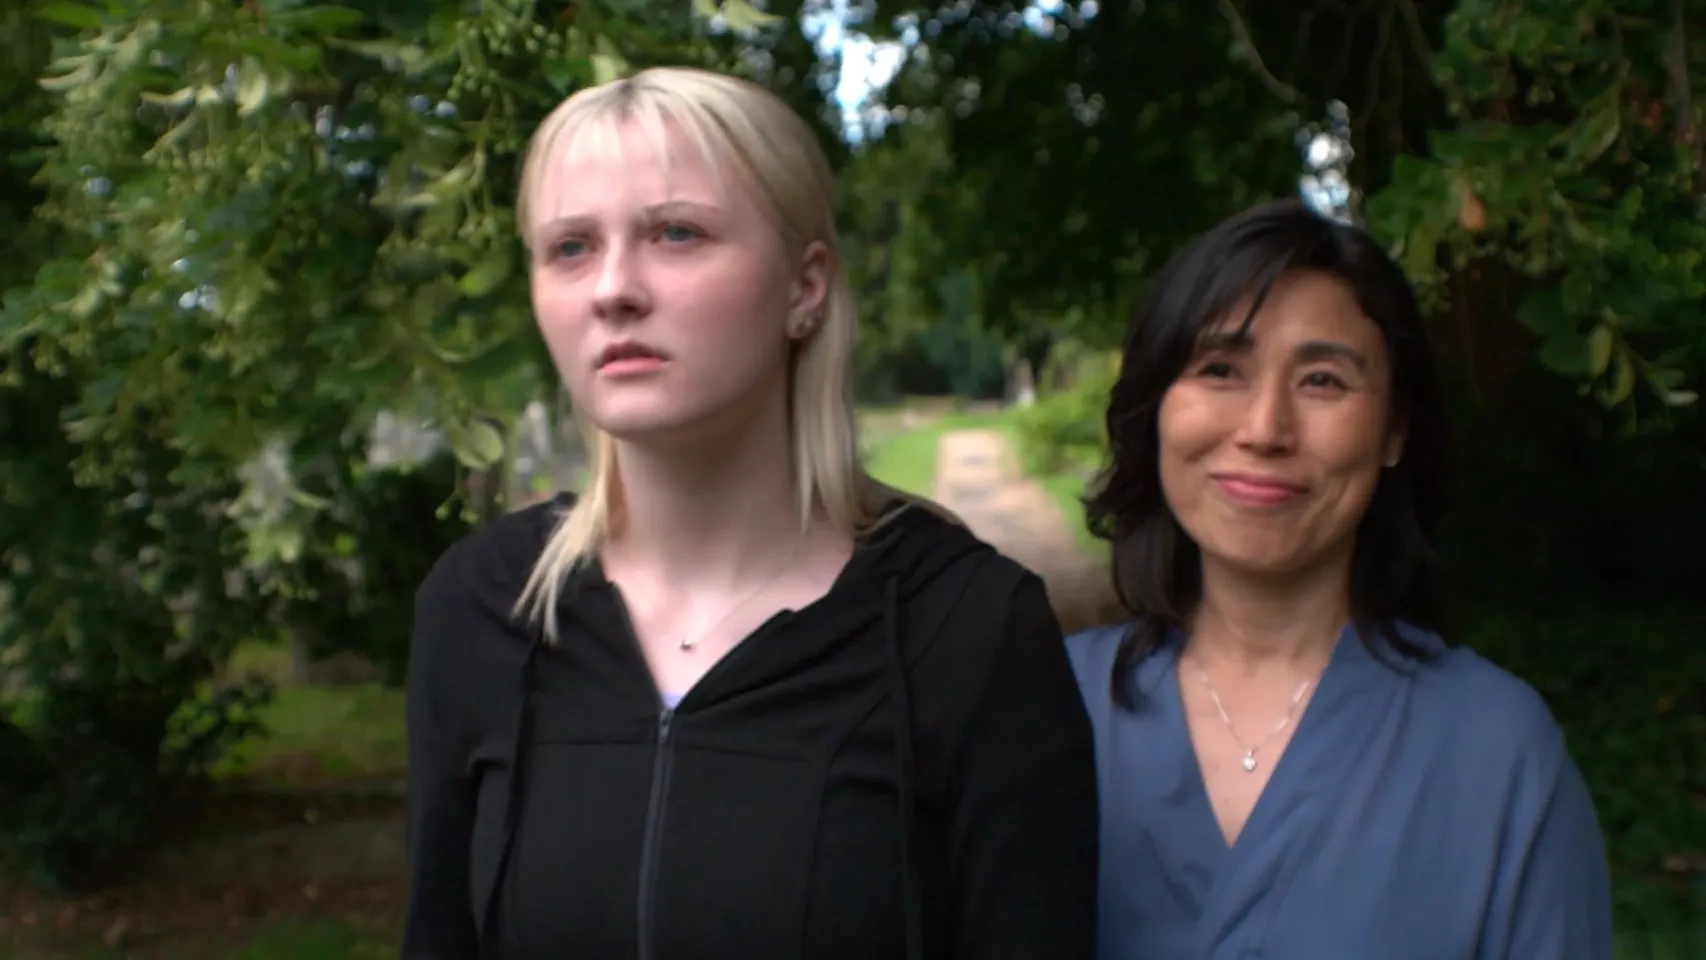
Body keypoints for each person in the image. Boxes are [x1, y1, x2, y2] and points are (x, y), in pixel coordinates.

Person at [401, 66, 1099, 959]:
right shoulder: (483, 607)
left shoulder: (967, 630)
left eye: (676, 233)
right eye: (571, 247)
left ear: (805, 287)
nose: (613, 287)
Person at [1066, 199, 1614, 959]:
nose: (1264, 429)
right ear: (1158, 406)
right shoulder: (1041, 708)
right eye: (1220, 368)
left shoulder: (1498, 753)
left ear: (1394, 429)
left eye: (1322, 380)